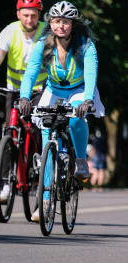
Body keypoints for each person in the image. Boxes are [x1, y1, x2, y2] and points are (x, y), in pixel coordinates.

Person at [18, 1, 105, 221]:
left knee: (77, 119)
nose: (61, 26)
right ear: (51, 23)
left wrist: (87, 100)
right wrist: (25, 97)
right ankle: (46, 197)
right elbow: (31, 72)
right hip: (54, 89)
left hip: (80, 90)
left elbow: (91, 73)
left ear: (72, 24)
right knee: (46, 129)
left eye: (66, 22)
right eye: (57, 21)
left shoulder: (85, 44)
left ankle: (81, 160)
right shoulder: (43, 43)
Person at [0, 0, 47, 202]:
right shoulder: (9, 31)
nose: (29, 19)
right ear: (18, 14)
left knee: (39, 130)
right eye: (25, 15)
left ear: (39, 14)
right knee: (9, 131)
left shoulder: (48, 32)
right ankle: (5, 182)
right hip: (13, 89)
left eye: (33, 15)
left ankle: (40, 174)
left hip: (40, 90)